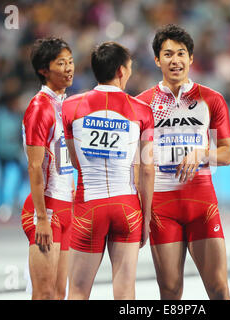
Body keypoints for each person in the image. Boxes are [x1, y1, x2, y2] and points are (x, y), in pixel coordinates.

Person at [136, 24, 230, 300]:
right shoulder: (142, 104)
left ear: (191, 58)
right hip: (161, 206)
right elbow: (138, 163)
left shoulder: (211, 99)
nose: (175, 60)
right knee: (169, 291)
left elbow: (227, 154)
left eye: (181, 54)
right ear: (157, 60)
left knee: (218, 287)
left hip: (201, 202)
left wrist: (202, 153)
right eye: (167, 54)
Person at [62, 41, 154, 300]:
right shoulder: (143, 111)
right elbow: (147, 170)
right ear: (122, 71)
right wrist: (146, 218)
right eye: (131, 68)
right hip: (127, 207)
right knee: (125, 293)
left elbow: (71, 157)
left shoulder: (70, 107)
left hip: (88, 203)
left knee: (78, 292)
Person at [21, 37, 75, 300]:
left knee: (58, 293)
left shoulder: (66, 104)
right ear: (44, 69)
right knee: (43, 294)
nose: (68, 68)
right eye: (61, 63)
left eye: (71, 61)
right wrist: (42, 218)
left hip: (66, 207)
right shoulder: (40, 107)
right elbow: (34, 166)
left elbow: (64, 159)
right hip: (47, 210)